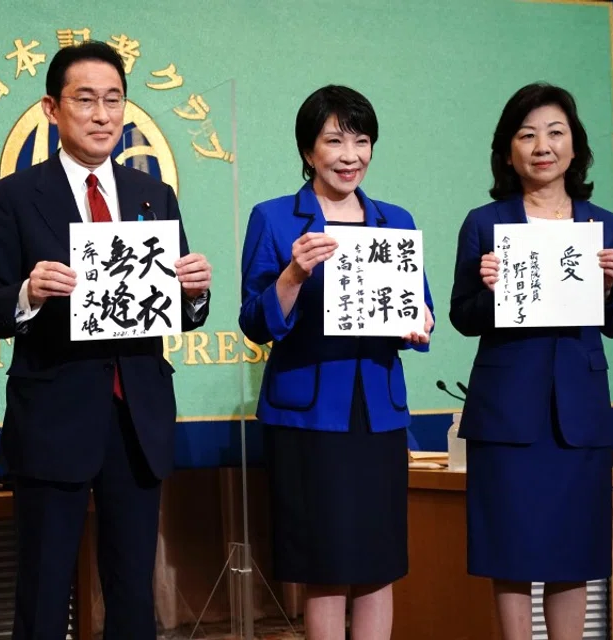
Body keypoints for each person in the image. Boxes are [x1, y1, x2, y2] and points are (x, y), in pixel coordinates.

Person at [0, 41, 212, 640]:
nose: (103, 115)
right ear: (52, 108)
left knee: (132, 591)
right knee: (45, 587)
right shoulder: (15, 197)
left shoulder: (154, 195)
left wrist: (196, 292)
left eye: (114, 100)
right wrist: (28, 292)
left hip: (136, 417)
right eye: (85, 100)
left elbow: (181, 309)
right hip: (54, 413)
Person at [239, 85, 434, 640]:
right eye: (334, 141)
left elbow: (421, 310)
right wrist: (293, 275)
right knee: (322, 566)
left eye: (362, 141)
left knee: (378, 564)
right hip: (307, 412)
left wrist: (420, 321)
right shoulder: (276, 219)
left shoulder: (394, 220)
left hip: (377, 409)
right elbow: (255, 321)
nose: (350, 155)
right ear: (308, 151)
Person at [450, 82, 613, 640]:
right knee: (509, 551)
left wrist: (607, 287)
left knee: (572, 552)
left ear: (575, 147)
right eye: (526, 135)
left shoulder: (603, 225)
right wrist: (488, 290)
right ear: (508, 151)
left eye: (556, 133)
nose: (542, 146)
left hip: (577, 415)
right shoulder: (485, 223)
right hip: (507, 413)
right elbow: (462, 315)